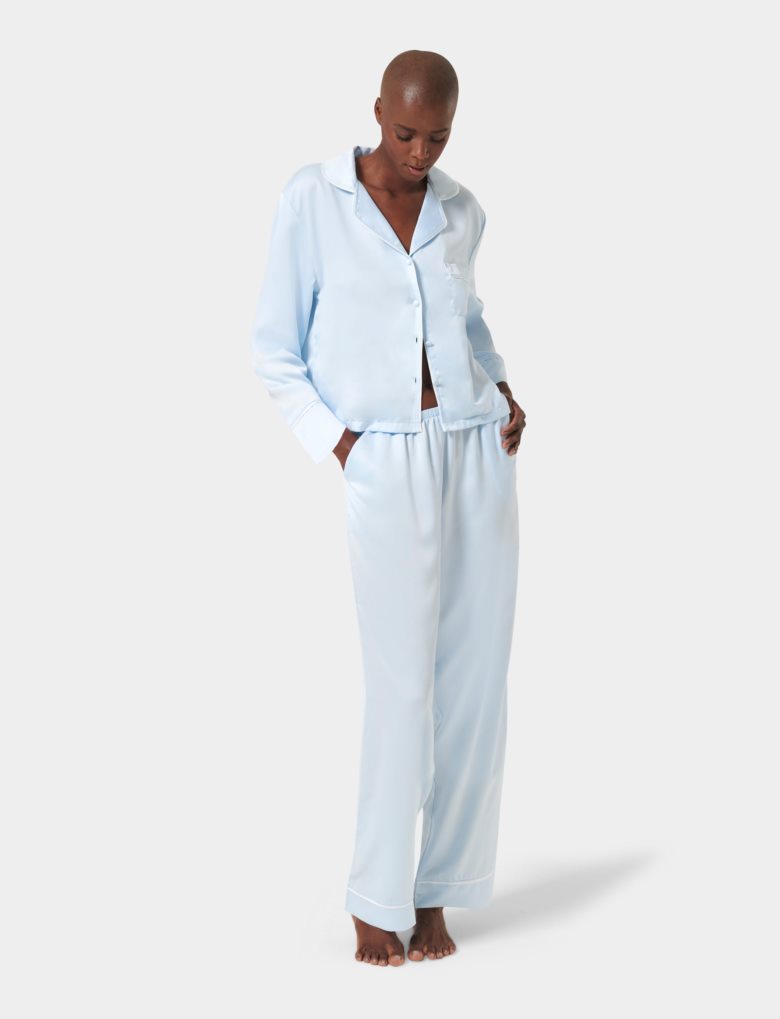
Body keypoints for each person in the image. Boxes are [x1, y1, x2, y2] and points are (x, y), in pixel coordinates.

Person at [251, 49, 526, 967]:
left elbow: (467, 321)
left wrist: (504, 390)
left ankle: (439, 889)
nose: (419, 152)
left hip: (476, 446)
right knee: (403, 682)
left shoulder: (462, 209)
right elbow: (274, 348)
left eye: (437, 137)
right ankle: (376, 894)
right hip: (384, 456)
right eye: (406, 133)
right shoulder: (313, 199)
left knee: (475, 681)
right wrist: (341, 443)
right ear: (377, 111)